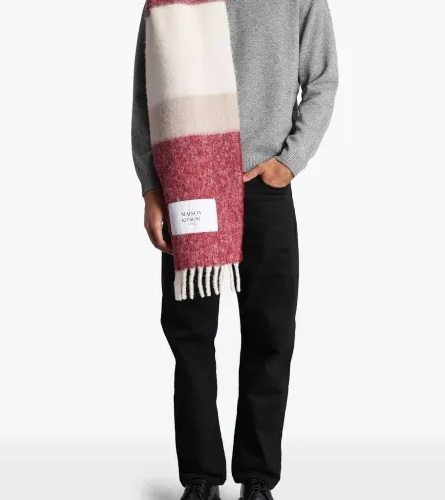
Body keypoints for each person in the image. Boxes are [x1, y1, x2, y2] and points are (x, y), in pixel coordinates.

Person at [132, 0, 338, 498]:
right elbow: (145, 95)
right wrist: (151, 188)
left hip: (262, 183)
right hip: (190, 183)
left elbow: (323, 78)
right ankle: (200, 478)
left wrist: (290, 161)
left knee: (271, 334)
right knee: (191, 336)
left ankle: (257, 478)